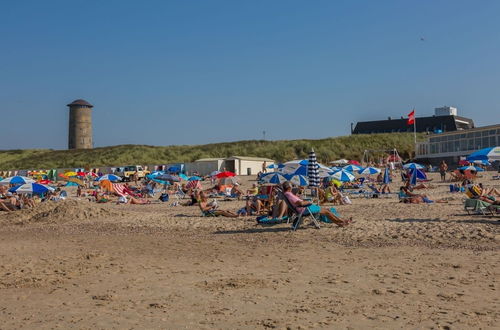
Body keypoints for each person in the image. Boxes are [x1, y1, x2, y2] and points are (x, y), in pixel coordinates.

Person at [282, 181, 351, 227]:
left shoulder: (287, 194)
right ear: (288, 187)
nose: (291, 188)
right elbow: (300, 203)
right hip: (305, 209)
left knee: (327, 211)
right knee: (327, 211)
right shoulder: (289, 194)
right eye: (291, 186)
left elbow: (298, 202)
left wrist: (302, 199)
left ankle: (340, 223)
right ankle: (342, 221)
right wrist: (309, 202)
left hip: (304, 208)